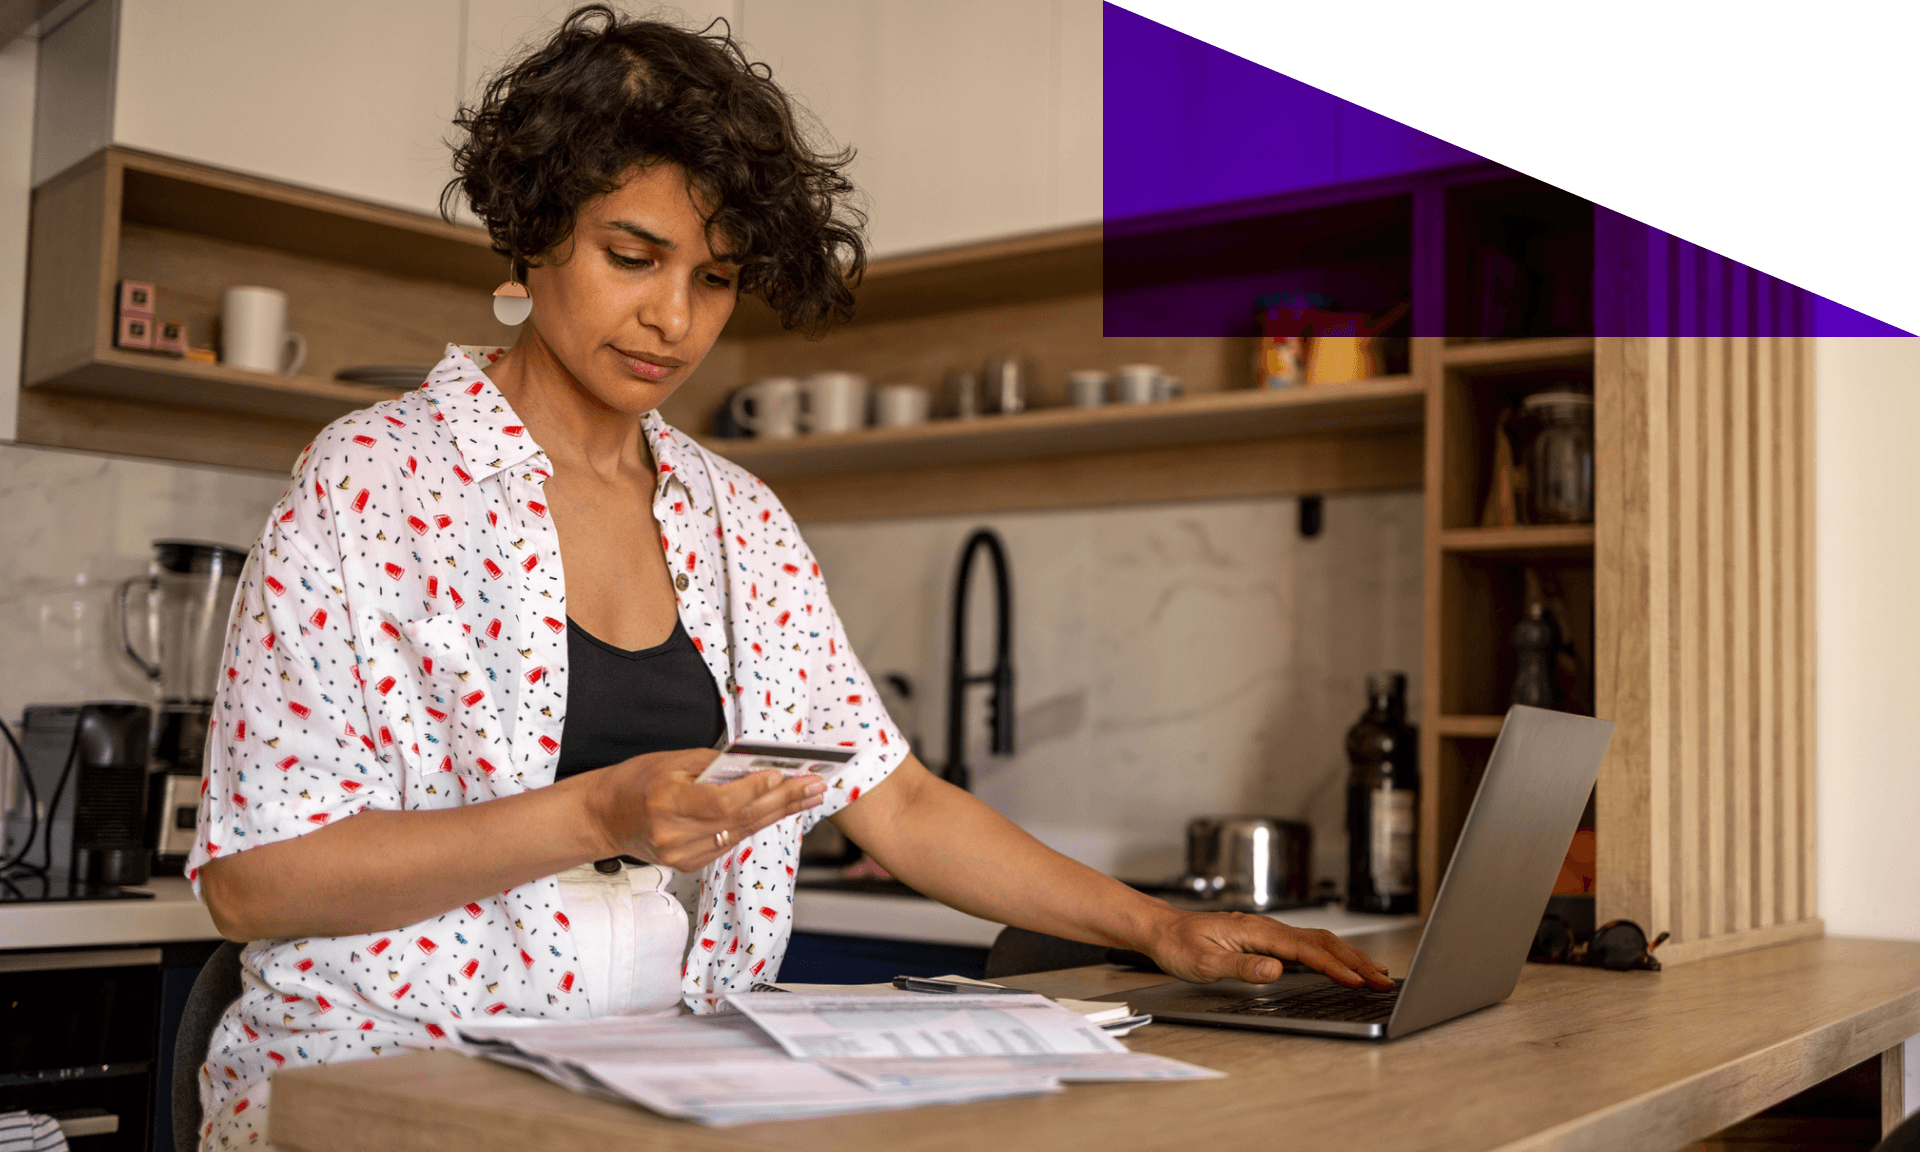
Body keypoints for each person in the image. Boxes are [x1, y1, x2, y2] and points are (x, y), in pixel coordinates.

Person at [187, 8, 1393, 1148]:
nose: (673, 318)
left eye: (713, 278)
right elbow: (251, 884)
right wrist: (596, 815)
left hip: (656, 1078)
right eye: (632, 256)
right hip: (380, 1077)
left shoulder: (737, 519)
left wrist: (1160, 926)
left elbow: (895, 799)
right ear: (533, 230)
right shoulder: (376, 483)